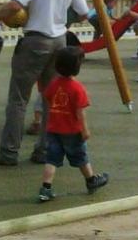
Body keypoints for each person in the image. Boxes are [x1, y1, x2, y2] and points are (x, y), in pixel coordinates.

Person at [0, 0, 89, 166]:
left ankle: (9, 151)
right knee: (50, 98)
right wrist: (60, 20)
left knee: (19, 98)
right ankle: (44, 150)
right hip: (59, 41)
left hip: (35, 40)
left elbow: (16, 5)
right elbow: (83, 12)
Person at [37, 47, 110, 202]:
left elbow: (48, 98)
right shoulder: (77, 89)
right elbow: (80, 112)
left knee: (51, 160)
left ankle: (45, 188)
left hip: (54, 129)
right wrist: (84, 130)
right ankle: (91, 180)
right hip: (72, 131)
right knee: (81, 157)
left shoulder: (54, 84)